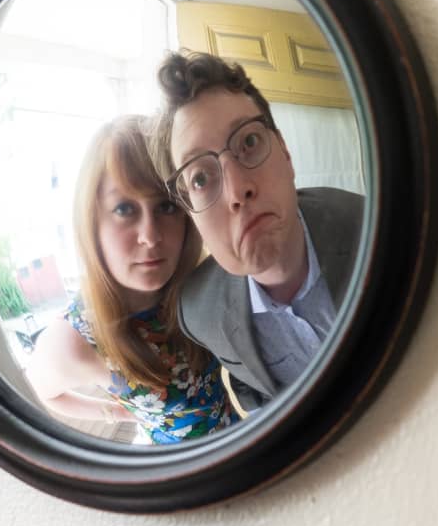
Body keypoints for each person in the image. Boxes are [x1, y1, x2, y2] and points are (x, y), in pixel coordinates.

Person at [149, 51, 364, 414]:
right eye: (200, 178)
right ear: (191, 213)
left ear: (285, 152)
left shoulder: (369, 224)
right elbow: (253, 388)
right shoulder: (198, 313)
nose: (237, 191)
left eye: (248, 142)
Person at [26, 114, 237, 444]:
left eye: (166, 206)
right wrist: (112, 412)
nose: (150, 237)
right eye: (125, 209)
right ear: (92, 222)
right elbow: (42, 392)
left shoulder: (200, 283)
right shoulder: (74, 341)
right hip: (183, 480)